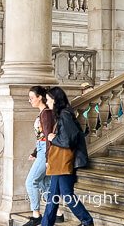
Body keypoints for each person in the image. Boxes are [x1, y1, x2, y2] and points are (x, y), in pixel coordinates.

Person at [42, 87, 94, 226]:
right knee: (53, 195)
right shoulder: (63, 115)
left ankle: (87, 221)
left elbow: (68, 141)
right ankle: (46, 223)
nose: (47, 103)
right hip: (60, 162)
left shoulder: (65, 115)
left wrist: (53, 138)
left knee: (65, 194)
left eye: (48, 100)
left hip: (65, 162)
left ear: (55, 100)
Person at [24, 86, 64, 226]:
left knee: (31, 182)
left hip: (46, 151)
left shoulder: (46, 113)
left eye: (32, 98)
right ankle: (57, 212)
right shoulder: (44, 112)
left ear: (40, 97)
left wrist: (47, 157)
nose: (30, 101)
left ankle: (36, 214)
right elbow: (43, 136)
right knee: (44, 183)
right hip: (42, 150)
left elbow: (48, 137)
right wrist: (35, 152)